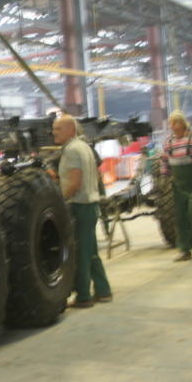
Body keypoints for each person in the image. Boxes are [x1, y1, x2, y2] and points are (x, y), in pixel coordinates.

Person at [53, 115, 113, 308]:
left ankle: (84, 296)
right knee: (91, 251)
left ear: (71, 129)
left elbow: (74, 184)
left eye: (58, 129)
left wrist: (61, 201)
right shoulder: (84, 147)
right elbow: (95, 176)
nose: (54, 133)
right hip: (90, 205)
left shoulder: (71, 150)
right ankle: (103, 291)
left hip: (80, 207)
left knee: (82, 255)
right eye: (54, 129)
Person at [160, 110, 192, 261]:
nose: (172, 125)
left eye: (175, 122)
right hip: (178, 186)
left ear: (183, 123)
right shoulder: (168, 142)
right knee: (180, 218)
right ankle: (184, 251)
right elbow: (164, 161)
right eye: (170, 123)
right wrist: (163, 177)